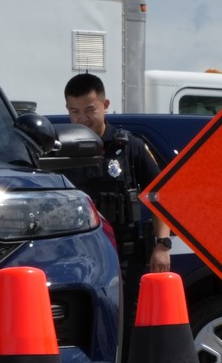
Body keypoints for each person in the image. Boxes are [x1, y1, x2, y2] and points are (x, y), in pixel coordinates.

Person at [61, 73, 171, 279]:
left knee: (125, 312)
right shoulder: (60, 151)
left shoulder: (129, 147)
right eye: (75, 111)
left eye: (90, 110)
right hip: (75, 258)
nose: (82, 119)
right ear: (67, 110)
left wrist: (163, 245)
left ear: (105, 105)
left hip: (123, 259)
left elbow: (159, 195)